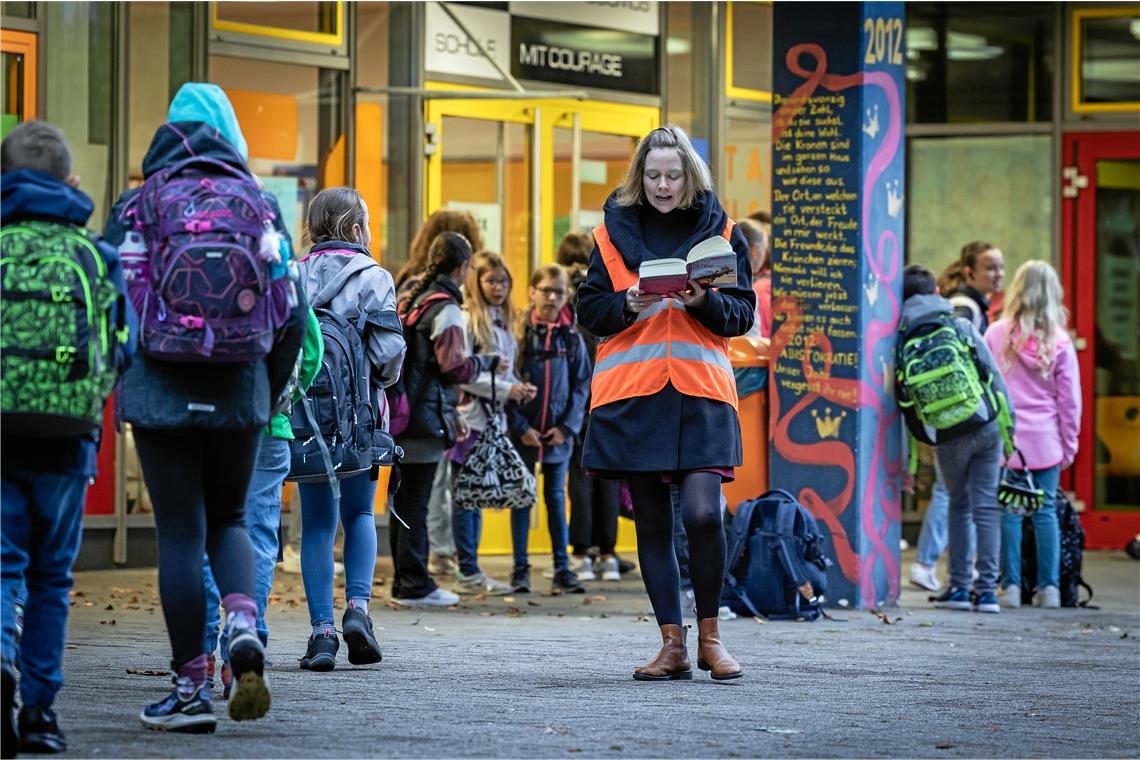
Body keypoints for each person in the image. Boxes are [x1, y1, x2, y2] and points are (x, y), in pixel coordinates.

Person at [105, 83, 305, 731]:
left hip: (161, 389)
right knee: (229, 519)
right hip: (240, 387)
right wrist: (266, 390)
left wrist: (127, 387)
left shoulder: (139, 204)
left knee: (181, 536)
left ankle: (189, 691)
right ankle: (243, 625)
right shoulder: (258, 204)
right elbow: (291, 310)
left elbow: (117, 310)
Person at [576, 125, 755, 681]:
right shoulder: (609, 235)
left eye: (672, 175)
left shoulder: (722, 232)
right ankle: (671, 646)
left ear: (690, 176)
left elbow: (742, 314)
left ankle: (712, 638)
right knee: (651, 522)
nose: (662, 185)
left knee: (702, 512)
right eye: (652, 175)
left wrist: (703, 302)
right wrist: (627, 302)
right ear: (639, 176)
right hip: (633, 395)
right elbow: (589, 310)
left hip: (701, 392)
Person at [1, 120, 136, 754]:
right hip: (68, 437)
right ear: (69, 183)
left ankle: (1, 664)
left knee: (2, 568)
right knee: (52, 578)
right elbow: (123, 351)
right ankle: (40, 716)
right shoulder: (94, 255)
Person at [293, 186, 406, 670]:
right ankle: (358, 609)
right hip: (359, 421)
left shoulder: (292, 276)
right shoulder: (373, 277)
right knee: (360, 515)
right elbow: (387, 358)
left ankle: (321, 632)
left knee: (316, 525)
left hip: (305, 423)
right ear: (357, 229)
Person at [200, 282, 322, 695]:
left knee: (202, 535)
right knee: (258, 535)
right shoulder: (271, 254)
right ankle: (246, 641)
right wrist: (276, 400)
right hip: (267, 424)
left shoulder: (187, 255)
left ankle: (197, 658)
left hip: (203, 419)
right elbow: (311, 349)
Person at [900, 264, 1013, 615]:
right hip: (985, 424)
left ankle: (961, 589)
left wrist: (915, 454)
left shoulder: (903, 338)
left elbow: (905, 404)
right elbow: (992, 374)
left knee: (959, 506)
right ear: (936, 292)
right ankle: (988, 593)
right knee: (986, 507)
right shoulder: (959, 324)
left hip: (948, 435)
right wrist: (1010, 431)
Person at [392, 232, 493, 606]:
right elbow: (453, 368)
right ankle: (415, 584)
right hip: (426, 419)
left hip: (404, 414)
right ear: (462, 267)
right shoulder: (446, 309)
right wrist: (484, 363)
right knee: (415, 503)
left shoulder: (413, 297)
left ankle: (406, 580)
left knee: (403, 502)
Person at [983, 261, 1081, 609]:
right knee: (1045, 513)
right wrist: (1069, 444)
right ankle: (1049, 589)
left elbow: (985, 386)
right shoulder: (1061, 343)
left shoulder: (995, 334)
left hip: (1006, 440)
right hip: (1046, 441)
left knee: (1009, 512)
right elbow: (1069, 403)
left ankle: (1009, 588)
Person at [450, 251, 535, 595]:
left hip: (496, 420)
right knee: (466, 494)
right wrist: (507, 388)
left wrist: (519, 388)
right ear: (477, 282)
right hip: (470, 418)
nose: (498, 288)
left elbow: (505, 369)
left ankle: (471, 567)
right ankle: (466, 568)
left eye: (503, 281)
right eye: (490, 280)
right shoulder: (469, 318)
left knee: (480, 492)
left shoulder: (504, 320)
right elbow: (464, 374)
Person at [510, 264, 592, 594]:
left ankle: (562, 567)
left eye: (559, 292)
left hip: (558, 436)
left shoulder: (571, 337)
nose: (552, 297)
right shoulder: (518, 334)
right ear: (532, 292)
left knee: (557, 499)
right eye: (545, 290)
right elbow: (507, 383)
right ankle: (520, 569)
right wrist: (519, 426)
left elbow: (581, 385)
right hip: (524, 434)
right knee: (522, 499)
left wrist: (567, 428)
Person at [557, 232, 631, 582]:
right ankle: (608, 553)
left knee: (579, 476)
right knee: (610, 476)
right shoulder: (609, 287)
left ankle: (582, 551)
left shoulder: (564, 297)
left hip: (577, 394)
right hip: (611, 388)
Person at [949, 241, 1004, 333]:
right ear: (969, 272)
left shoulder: (978, 305)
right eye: (991, 268)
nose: (1000, 274)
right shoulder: (963, 308)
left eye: (1001, 267)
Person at [741, 215, 772, 338]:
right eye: (764, 250)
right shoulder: (750, 291)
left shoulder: (713, 280)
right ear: (754, 250)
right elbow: (754, 342)